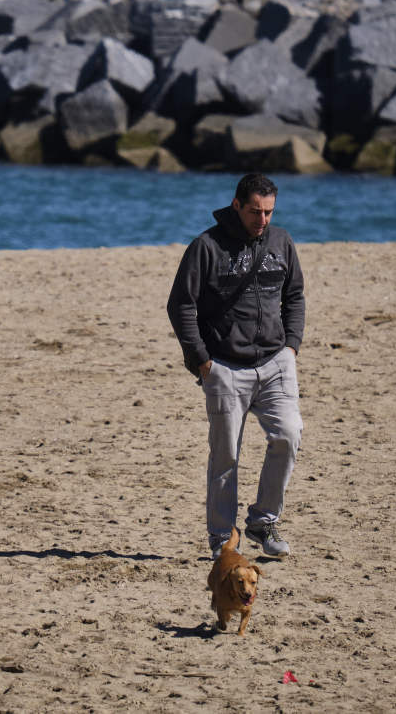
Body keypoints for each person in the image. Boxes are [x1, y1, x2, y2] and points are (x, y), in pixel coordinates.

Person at [166, 173, 305, 560]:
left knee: (289, 435)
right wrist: (202, 361)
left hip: (276, 362)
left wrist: (292, 347)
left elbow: (294, 295)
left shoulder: (282, 242)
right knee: (226, 454)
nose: (262, 220)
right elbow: (181, 305)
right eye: (255, 212)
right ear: (237, 205)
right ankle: (222, 536)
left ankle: (263, 520)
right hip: (224, 367)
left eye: (269, 212)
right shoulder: (206, 247)